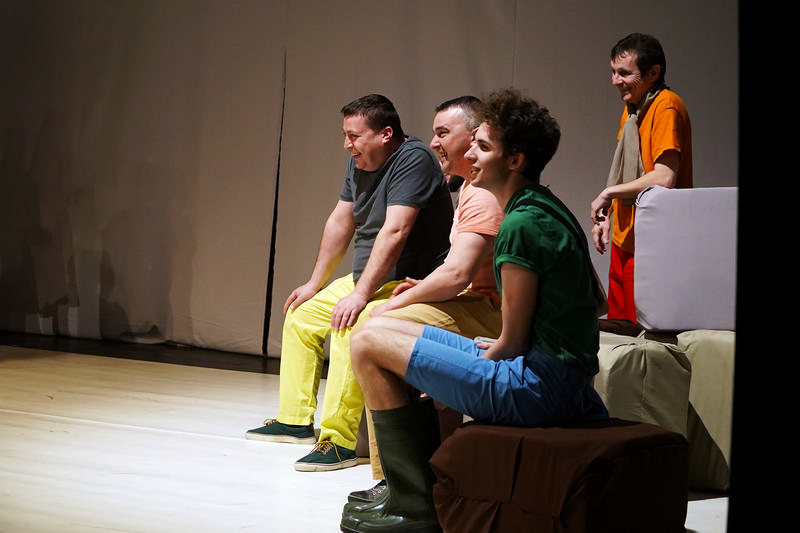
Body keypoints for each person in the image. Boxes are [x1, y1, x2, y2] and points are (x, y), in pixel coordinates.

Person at [340, 88, 608, 533]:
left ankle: (415, 506)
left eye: (482, 146)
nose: (469, 154)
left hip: (537, 388)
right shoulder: (548, 206)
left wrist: (450, 374)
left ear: (515, 159)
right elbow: (597, 301)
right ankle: (413, 489)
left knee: (368, 342)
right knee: (379, 330)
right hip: (566, 381)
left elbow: (512, 344)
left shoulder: (520, 224)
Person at [246, 94, 453, 473]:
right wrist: (314, 282)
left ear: (385, 134)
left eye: (354, 136)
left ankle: (339, 441)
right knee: (301, 314)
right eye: (346, 135)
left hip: (405, 284)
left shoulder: (413, 159)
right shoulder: (358, 163)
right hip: (366, 280)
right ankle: (294, 420)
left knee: (348, 326)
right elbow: (341, 221)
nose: (347, 144)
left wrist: (360, 295)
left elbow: (396, 230)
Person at [347, 96, 505, 505]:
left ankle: (399, 481)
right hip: (473, 304)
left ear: (474, 138)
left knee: (374, 332)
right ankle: (431, 472)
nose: (434, 143)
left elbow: (458, 275)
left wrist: (395, 303)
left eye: (443, 133)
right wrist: (423, 285)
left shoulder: (483, 193)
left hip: (489, 312)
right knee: (379, 324)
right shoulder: (469, 187)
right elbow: (456, 271)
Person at [590, 33, 692, 323]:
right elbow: (627, 171)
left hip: (652, 244)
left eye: (624, 73)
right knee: (620, 330)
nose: (615, 81)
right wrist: (607, 215)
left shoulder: (666, 105)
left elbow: (664, 177)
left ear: (653, 73)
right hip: (625, 240)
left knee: (642, 335)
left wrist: (608, 193)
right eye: (613, 72)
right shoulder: (632, 111)